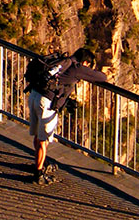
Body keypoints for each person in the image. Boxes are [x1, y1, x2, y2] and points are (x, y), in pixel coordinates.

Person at [27, 47, 107, 184]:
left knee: (37, 135)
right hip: (46, 102)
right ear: (85, 62)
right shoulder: (78, 68)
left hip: (34, 95)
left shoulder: (62, 61)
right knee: (43, 138)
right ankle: (39, 173)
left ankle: (39, 163)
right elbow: (102, 77)